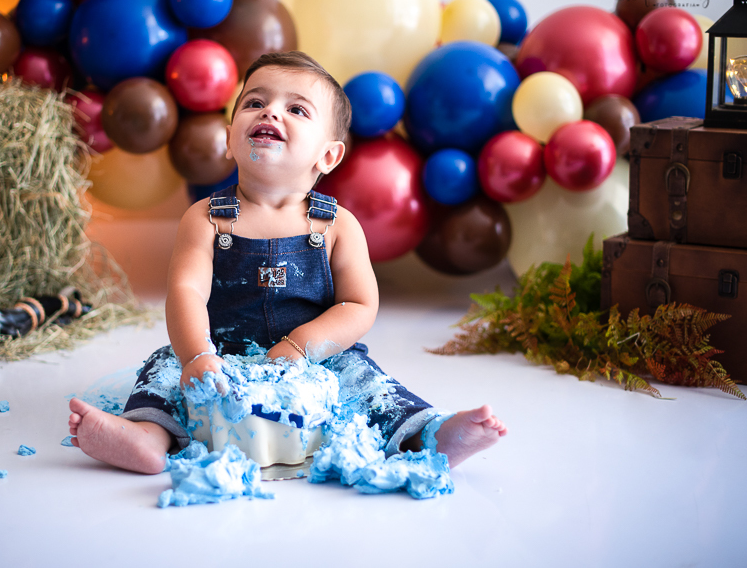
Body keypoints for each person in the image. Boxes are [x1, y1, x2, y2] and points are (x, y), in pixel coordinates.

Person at [68, 51, 507, 475]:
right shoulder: (206, 219)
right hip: (219, 352)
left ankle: (428, 435)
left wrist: (302, 345)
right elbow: (186, 291)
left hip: (316, 360)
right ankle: (147, 435)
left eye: (296, 109)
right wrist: (196, 354)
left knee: (368, 384)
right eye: (254, 103)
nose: (270, 112)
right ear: (229, 139)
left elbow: (359, 305)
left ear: (328, 156)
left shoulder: (337, 226)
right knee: (163, 371)